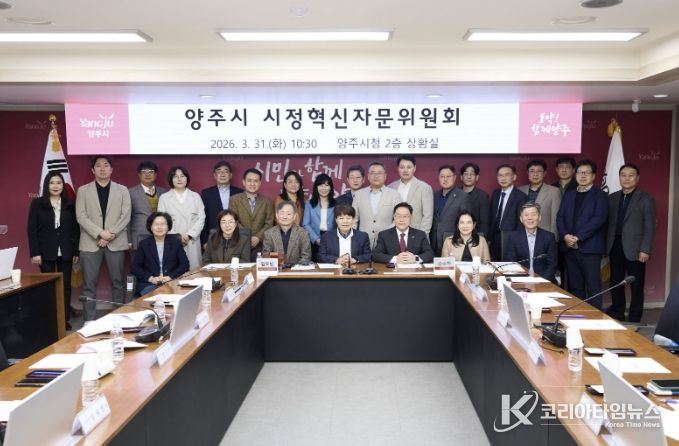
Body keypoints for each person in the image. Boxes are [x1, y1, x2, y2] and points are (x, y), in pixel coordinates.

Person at [75, 156, 131, 321]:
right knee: (89, 285)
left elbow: (125, 215)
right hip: (90, 242)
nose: (102, 169)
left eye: (106, 165)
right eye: (98, 166)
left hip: (116, 241)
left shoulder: (122, 190)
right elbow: (81, 216)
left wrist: (110, 234)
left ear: (111, 169)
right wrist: (100, 233)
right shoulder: (83, 190)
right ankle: (89, 321)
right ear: (93, 170)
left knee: (117, 282)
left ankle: (118, 319)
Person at [27, 172, 80, 329]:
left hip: (66, 251)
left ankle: (64, 320)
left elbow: (75, 229)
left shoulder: (70, 204)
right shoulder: (37, 203)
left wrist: (75, 251)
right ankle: (50, 319)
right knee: (48, 287)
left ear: (63, 185)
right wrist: (35, 252)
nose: (55, 186)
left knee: (65, 286)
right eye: (52, 183)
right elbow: (31, 229)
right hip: (45, 252)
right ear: (46, 185)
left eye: (58, 182)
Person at [605, 163, 656, 322]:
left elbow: (649, 226)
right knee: (616, 282)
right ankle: (618, 313)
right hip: (614, 246)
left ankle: (634, 318)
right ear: (619, 177)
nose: (627, 179)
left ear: (637, 178)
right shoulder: (612, 198)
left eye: (631, 175)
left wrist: (645, 249)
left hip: (636, 249)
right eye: (623, 175)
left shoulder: (646, 199)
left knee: (636, 285)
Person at [556, 159, 609, 309]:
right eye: (580, 172)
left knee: (593, 288)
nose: (583, 176)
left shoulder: (601, 195)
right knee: (575, 287)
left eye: (586, 173)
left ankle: (595, 319)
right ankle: (579, 316)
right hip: (569, 248)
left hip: (590, 248)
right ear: (575, 174)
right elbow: (560, 217)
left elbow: (598, 219)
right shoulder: (569, 194)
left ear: (594, 176)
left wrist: (578, 237)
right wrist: (565, 236)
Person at [158, 165, 206, 270]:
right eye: (175, 176)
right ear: (171, 179)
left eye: (182, 176)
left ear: (187, 178)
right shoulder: (164, 198)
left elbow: (201, 218)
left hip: (192, 241)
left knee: (194, 273)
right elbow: (161, 221)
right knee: (175, 273)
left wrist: (189, 235)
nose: (179, 179)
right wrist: (178, 237)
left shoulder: (195, 197)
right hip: (173, 241)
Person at [131, 212, 189, 296]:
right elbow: (135, 267)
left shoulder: (175, 242)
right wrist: (151, 278)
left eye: (163, 224)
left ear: (168, 226)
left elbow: (185, 265)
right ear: (151, 227)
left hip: (172, 281)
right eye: (156, 224)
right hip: (149, 284)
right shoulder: (144, 244)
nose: (159, 227)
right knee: (158, 295)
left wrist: (170, 277)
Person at [504, 203, 558, 282]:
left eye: (533, 214)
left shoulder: (549, 237)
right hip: (521, 280)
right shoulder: (514, 237)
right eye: (526, 215)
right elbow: (511, 263)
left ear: (539, 217)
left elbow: (552, 265)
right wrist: (521, 281)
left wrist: (542, 282)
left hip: (544, 281)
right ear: (521, 219)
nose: (530, 218)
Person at [352, 161, 401, 246]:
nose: (376, 176)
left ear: (385, 176)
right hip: (363, 241)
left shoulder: (394, 195)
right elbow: (353, 219)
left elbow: (398, 218)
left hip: (387, 241)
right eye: (373, 173)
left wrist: (386, 233)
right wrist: (354, 239)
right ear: (368, 176)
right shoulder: (359, 194)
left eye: (379, 173)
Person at [229, 168, 275, 260]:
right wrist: (247, 237)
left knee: (259, 268)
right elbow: (233, 221)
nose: (252, 184)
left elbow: (269, 222)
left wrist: (258, 237)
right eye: (249, 180)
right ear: (244, 182)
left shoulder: (267, 201)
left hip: (261, 245)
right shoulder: (234, 200)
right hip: (240, 243)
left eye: (255, 181)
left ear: (260, 183)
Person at [488, 164, 528, 261]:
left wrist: (516, 243)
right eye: (500, 175)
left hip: (510, 239)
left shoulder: (521, 197)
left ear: (514, 177)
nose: (503, 178)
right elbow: (492, 217)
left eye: (507, 175)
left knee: (508, 266)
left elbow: (521, 223)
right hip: (495, 239)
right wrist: (489, 238)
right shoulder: (496, 193)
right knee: (494, 265)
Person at [388, 155, 434, 236]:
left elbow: (428, 217)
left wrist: (421, 236)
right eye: (402, 167)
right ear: (398, 168)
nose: (405, 170)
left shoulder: (424, 188)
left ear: (414, 168)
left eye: (409, 167)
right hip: (393, 235)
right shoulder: (390, 187)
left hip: (416, 234)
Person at [200, 161, 243, 246]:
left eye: (226, 171)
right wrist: (204, 241)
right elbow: (203, 218)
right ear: (214, 175)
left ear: (231, 175)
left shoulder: (240, 193)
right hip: (213, 236)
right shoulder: (206, 193)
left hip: (236, 236)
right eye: (219, 171)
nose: (222, 174)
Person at [127, 160, 167, 252]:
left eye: (151, 172)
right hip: (138, 238)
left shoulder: (164, 193)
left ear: (155, 175)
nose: (147, 174)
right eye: (144, 172)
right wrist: (129, 241)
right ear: (139, 175)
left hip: (161, 236)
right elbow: (127, 219)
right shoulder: (130, 193)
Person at [430, 164, 469, 256]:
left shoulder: (463, 196)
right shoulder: (434, 195)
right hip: (433, 241)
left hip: (453, 241)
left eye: (448, 176)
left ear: (454, 178)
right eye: (442, 176)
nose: (445, 179)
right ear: (439, 178)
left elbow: (466, 221)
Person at [518, 159, 561, 239]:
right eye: (532, 171)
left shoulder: (554, 191)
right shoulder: (520, 190)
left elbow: (555, 218)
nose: (535, 174)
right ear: (527, 173)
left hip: (545, 236)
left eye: (539, 171)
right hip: (522, 236)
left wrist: (553, 239)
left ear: (544, 173)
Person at [302, 173, 336, 261]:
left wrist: (332, 239)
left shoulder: (336, 204)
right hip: (314, 241)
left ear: (331, 187)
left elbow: (339, 223)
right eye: (321, 185)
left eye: (327, 185)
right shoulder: (309, 204)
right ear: (316, 187)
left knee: (331, 264)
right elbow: (305, 224)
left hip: (332, 241)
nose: (324, 188)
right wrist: (316, 239)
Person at [460, 162, 490, 237]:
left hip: (475, 236)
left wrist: (482, 238)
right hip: (457, 236)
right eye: (466, 174)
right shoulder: (455, 193)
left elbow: (484, 222)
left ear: (477, 177)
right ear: (461, 177)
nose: (469, 177)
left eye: (472, 174)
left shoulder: (483, 196)